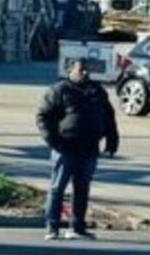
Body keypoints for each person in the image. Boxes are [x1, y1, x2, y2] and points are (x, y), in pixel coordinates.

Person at [35, 55, 120, 240]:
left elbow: (109, 117)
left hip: (89, 148)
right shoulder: (59, 91)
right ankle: (52, 226)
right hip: (65, 148)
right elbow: (43, 117)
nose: (85, 73)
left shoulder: (97, 91)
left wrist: (112, 140)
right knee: (58, 188)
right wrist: (54, 141)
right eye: (80, 69)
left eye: (87, 70)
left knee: (82, 187)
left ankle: (77, 227)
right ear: (70, 70)